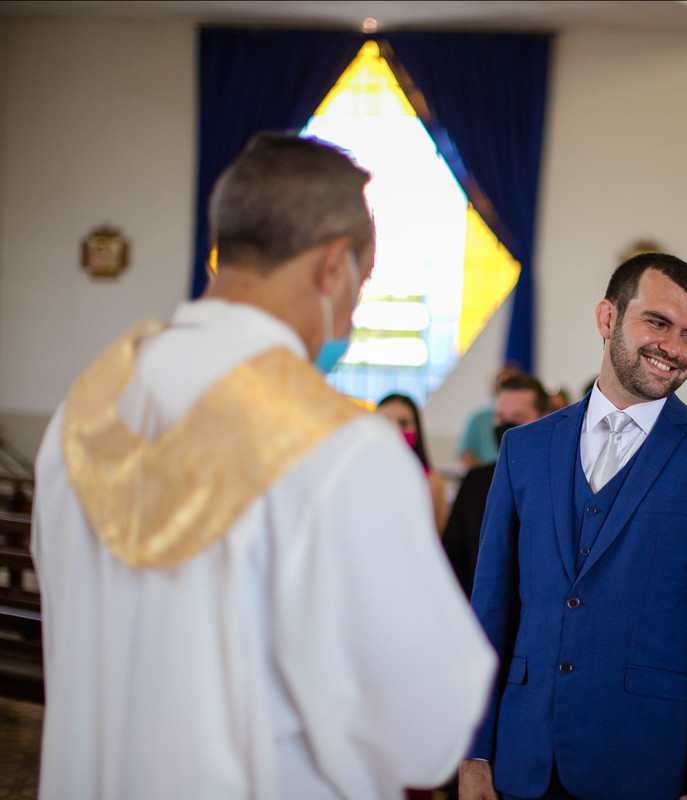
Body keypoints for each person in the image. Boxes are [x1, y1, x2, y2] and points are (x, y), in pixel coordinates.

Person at [31, 134, 496, 799]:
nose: (357, 309)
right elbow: (422, 732)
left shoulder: (85, 411)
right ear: (333, 266)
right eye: (362, 282)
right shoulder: (342, 448)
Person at [461, 253, 687, 800]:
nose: (674, 348)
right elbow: (491, 610)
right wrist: (474, 750)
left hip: (647, 764)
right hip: (522, 759)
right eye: (657, 323)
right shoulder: (523, 450)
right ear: (607, 319)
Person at [442, 373, 551, 596]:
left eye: (517, 418)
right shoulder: (475, 482)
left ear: (544, 418)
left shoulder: (560, 481)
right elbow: (452, 558)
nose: (505, 428)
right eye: (500, 418)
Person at [377, 393, 450, 531]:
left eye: (403, 423)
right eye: (385, 421)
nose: (395, 429)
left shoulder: (431, 482)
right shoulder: (358, 478)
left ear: (417, 429)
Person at [460, 365, 524, 469]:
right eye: (502, 386)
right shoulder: (479, 419)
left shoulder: (526, 419)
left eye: (510, 386)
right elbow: (468, 454)